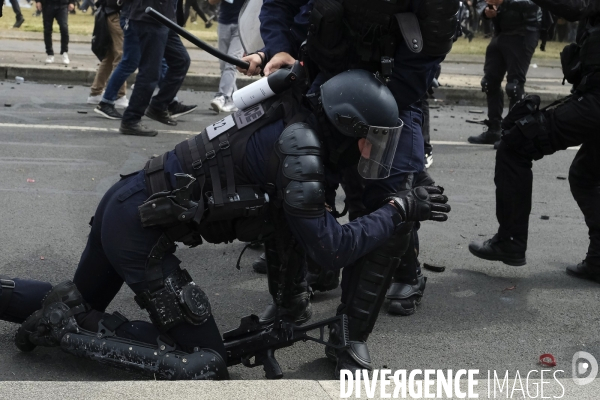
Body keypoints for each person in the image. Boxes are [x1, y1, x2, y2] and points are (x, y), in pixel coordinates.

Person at [0, 70, 450, 379]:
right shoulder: (301, 150)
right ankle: (66, 330)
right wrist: (398, 210)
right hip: (140, 232)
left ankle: (64, 315)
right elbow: (329, 250)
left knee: (80, 299)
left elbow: (287, 232)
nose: (372, 152)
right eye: (370, 140)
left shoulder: (296, 122)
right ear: (346, 126)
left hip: (126, 205)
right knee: (208, 359)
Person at [240, 0, 459, 321]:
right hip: (326, 76)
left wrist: (375, 111)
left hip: (395, 84)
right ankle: (298, 291)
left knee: (388, 187)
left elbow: (429, 50)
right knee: (293, 174)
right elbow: (280, 5)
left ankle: (404, 274)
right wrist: (278, 49)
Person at [469, 0, 600, 281]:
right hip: (592, 99)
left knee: (515, 145)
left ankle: (510, 242)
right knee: (585, 175)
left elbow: (576, 7)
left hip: (595, 104)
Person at [467, 0, 541, 145]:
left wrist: (504, 2)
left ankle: (513, 133)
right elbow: (481, 2)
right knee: (489, 82)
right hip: (501, 32)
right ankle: (494, 129)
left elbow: (534, 3)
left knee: (514, 87)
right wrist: (487, 11)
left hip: (523, 32)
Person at [118, 0, 193, 136]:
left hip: (164, 17)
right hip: (150, 17)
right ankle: (131, 120)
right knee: (150, 72)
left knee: (181, 61)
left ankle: (158, 106)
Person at [87, 0, 128, 108]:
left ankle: (96, 91)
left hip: (110, 12)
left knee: (110, 56)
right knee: (121, 55)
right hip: (116, 13)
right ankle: (119, 95)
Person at [208, 0, 244, 114]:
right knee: (224, 65)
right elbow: (211, 1)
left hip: (242, 24)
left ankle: (221, 96)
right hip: (224, 22)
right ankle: (234, 100)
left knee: (231, 62)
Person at [35, 0, 75, 64]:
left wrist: (72, 2)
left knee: (64, 28)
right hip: (47, 5)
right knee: (47, 29)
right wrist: (38, 1)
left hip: (62, 5)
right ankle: (50, 53)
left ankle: (64, 52)